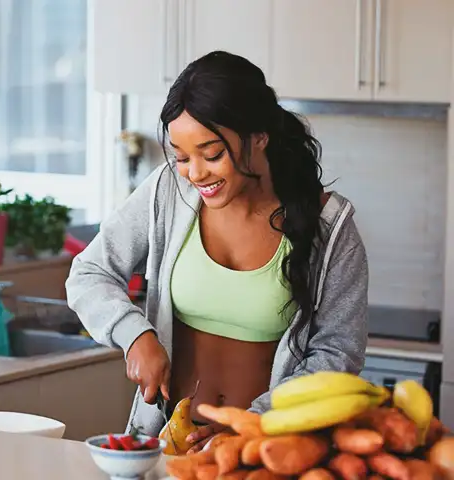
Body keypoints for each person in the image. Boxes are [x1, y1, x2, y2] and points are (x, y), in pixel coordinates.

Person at [65, 51, 368, 452]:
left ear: (260, 136)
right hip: (167, 446)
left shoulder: (329, 226)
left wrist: (250, 426)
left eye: (211, 154)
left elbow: (337, 353)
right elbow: (89, 273)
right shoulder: (168, 191)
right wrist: (135, 334)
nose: (195, 173)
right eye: (181, 156)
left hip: (264, 452)